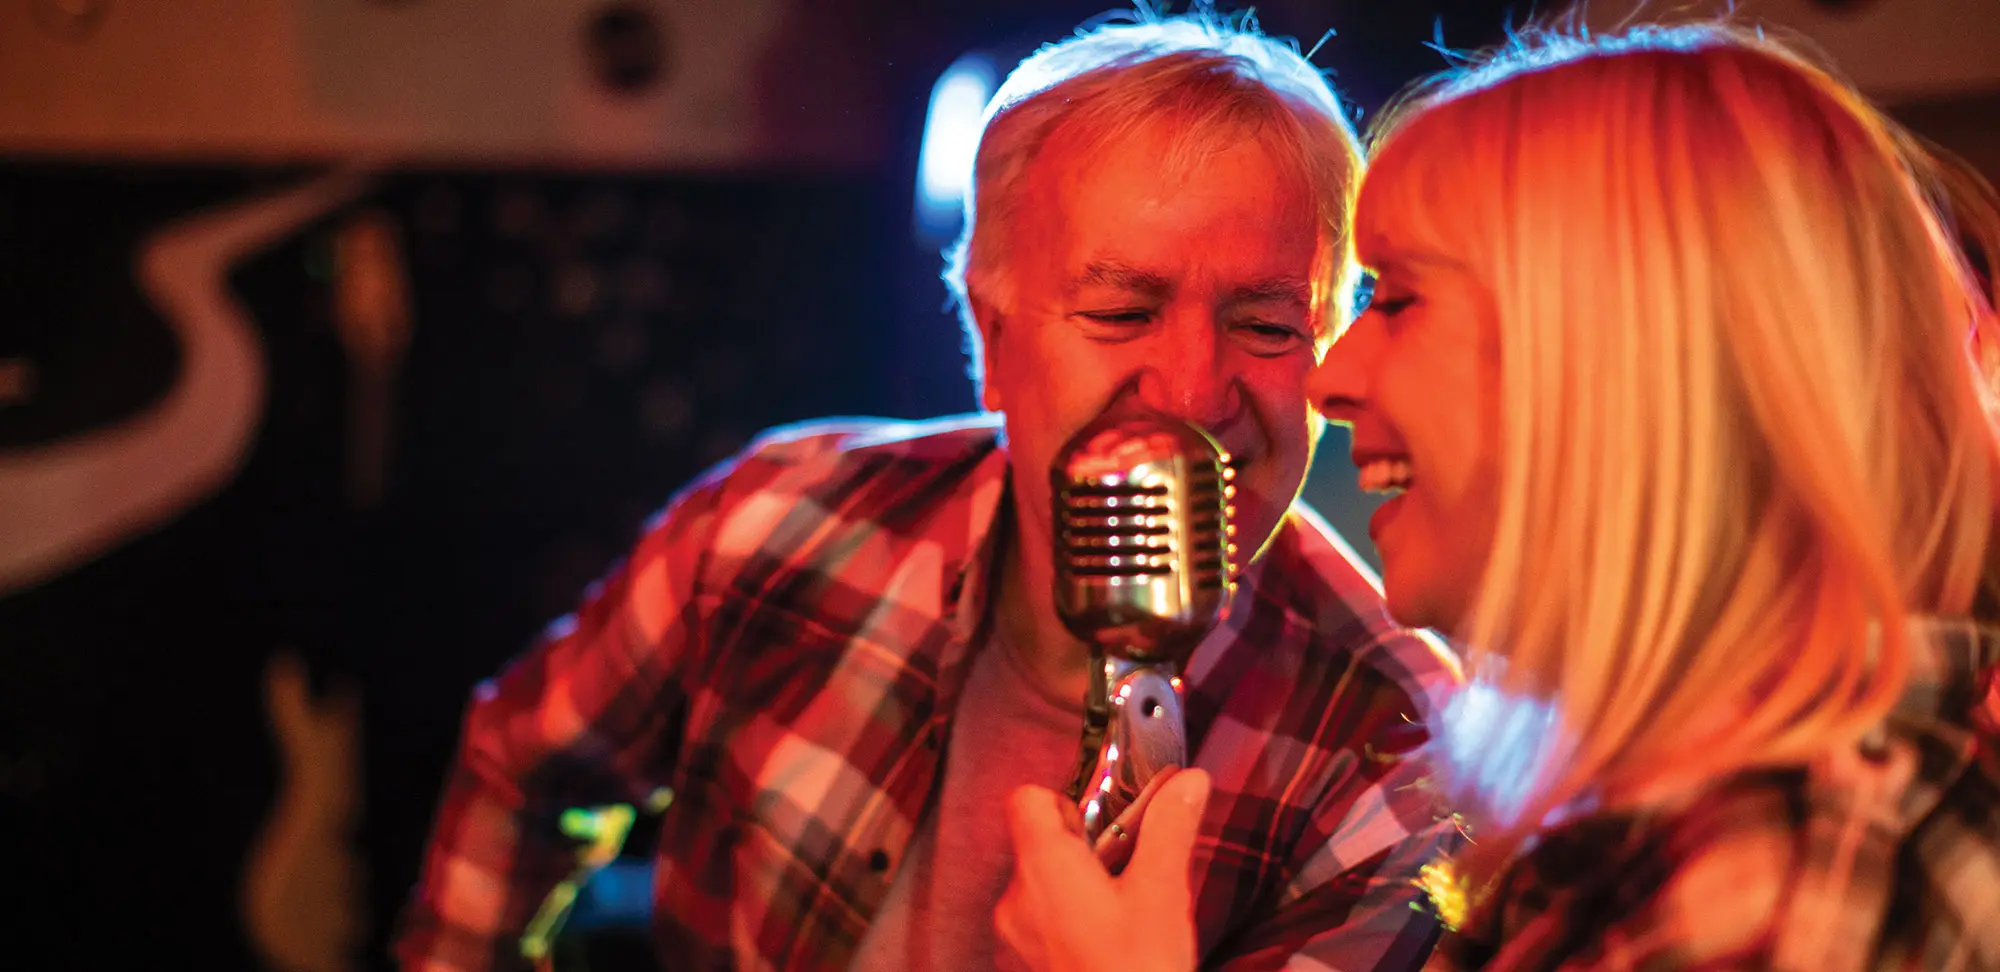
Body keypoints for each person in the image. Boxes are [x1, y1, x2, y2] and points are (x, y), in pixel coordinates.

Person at [394, 8, 1461, 972]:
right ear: (991, 341)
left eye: (1267, 326)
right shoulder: (775, 523)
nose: (1190, 389)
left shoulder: (1401, 773)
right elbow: (522, 769)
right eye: (1119, 314)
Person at [996, 19, 2000, 972]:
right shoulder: (1663, 831)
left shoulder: (1778, 872)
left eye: (1394, 301)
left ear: (1619, 363)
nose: (1329, 379)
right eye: (1122, 312)